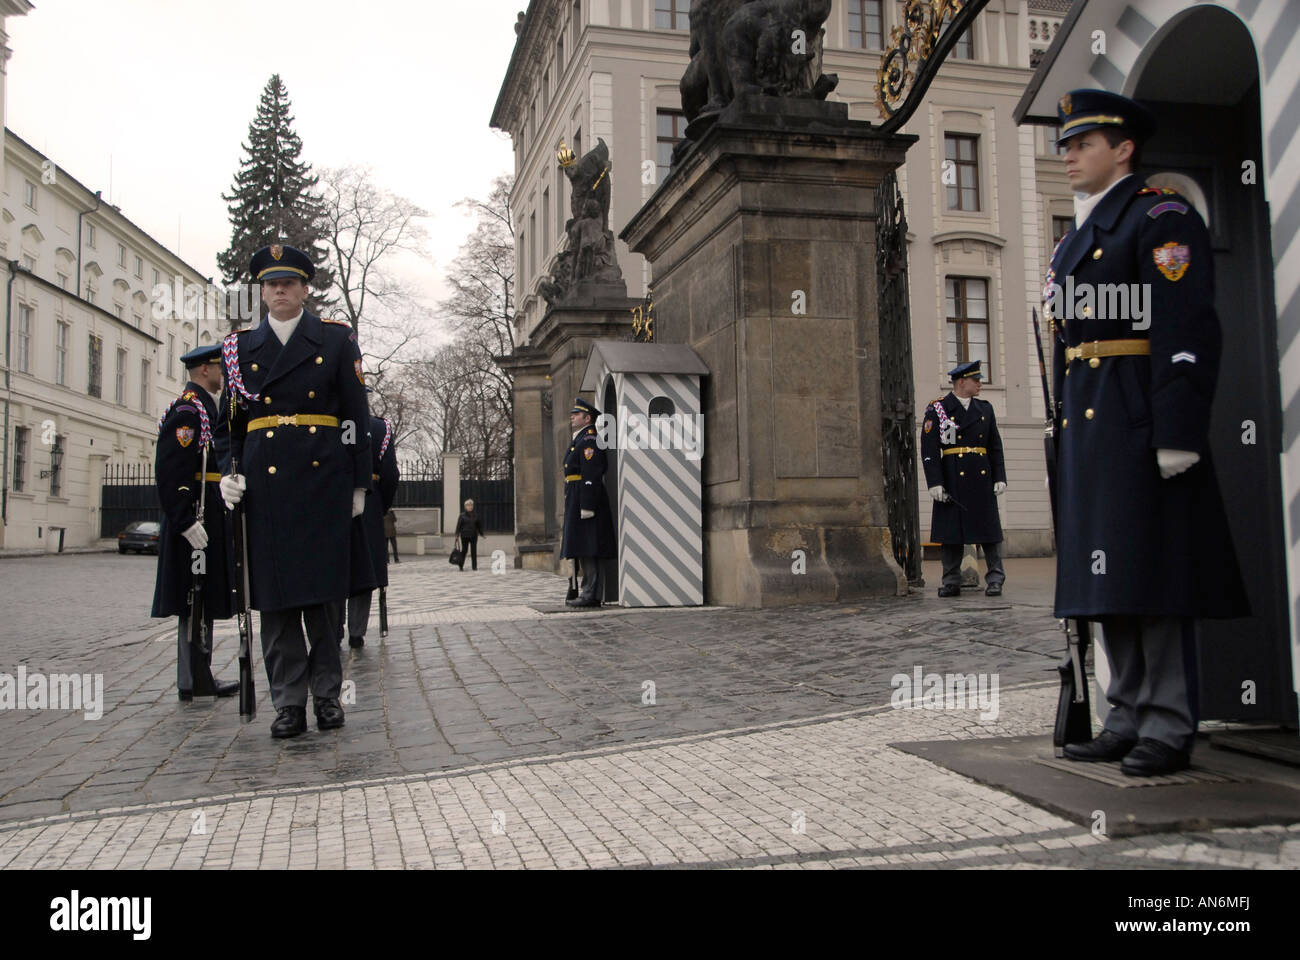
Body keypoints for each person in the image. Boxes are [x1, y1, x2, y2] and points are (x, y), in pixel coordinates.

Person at [1046, 90, 1247, 776]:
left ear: (1124, 147)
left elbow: (1184, 323)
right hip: (1090, 421)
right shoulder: (1079, 235)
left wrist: (1178, 426)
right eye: (1064, 145)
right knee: (1111, 580)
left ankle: (1167, 721)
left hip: (1136, 414)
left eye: (1082, 143)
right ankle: (1125, 713)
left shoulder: (1160, 216)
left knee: (1154, 573)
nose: (1067, 155)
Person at [218, 244, 371, 739]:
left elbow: (355, 417)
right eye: (270, 284)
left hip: (322, 480)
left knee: (323, 599)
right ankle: (287, 703)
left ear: (305, 289)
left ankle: (327, 696)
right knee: (277, 602)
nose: (279, 290)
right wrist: (228, 471)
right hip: (265, 487)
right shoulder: (238, 350)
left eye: (288, 283)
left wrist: (359, 482)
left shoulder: (335, 340)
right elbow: (230, 428)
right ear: (261, 292)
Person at [151, 345, 239, 702]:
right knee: (193, 600)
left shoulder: (204, 407)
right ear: (205, 369)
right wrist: (185, 520)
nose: (225, 375)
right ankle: (193, 678)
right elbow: (172, 469)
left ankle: (198, 675)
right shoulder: (190, 410)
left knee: (202, 597)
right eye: (221, 368)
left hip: (207, 517)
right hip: (194, 522)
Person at [920, 360, 1007, 598]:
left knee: (989, 532)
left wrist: (1000, 476)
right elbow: (929, 450)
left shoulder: (985, 409)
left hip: (981, 476)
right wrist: (935, 482)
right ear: (961, 382)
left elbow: (994, 446)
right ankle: (951, 580)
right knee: (951, 534)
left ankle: (996, 578)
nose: (980, 384)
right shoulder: (938, 409)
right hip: (952, 477)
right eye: (975, 380)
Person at [341, 414, 399, 646]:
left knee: (336, 566)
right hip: (370, 500)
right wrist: (379, 506)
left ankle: (332, 630)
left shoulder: (329, 422)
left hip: (332, 497)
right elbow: (391, 475)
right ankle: (356, 630)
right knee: (363, 568)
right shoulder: (379, 427)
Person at [561, 397, 615, 607]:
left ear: (587, 418)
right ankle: (586, 590)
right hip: (577, 495)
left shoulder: (589, 441)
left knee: (590, 546)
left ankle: (591, 593)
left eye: (576, 414)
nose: (572, 417)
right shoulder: (580, 439)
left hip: (585, 497)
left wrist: (587, 504)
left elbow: (591, 473)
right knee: (583, 546)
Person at [454, 499, 483, 571]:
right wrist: (457, 534)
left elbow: (479, 525)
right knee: (464, 550)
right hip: (464, 536)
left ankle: (474, 567)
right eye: (468, 505)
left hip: (473, 535)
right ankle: (461, 566)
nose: (470, 507)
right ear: (465, 507)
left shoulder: (476, 515)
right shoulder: (462, 515)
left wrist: (481, 533)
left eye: (471, 505)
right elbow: (458, 526)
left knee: (474, 551)